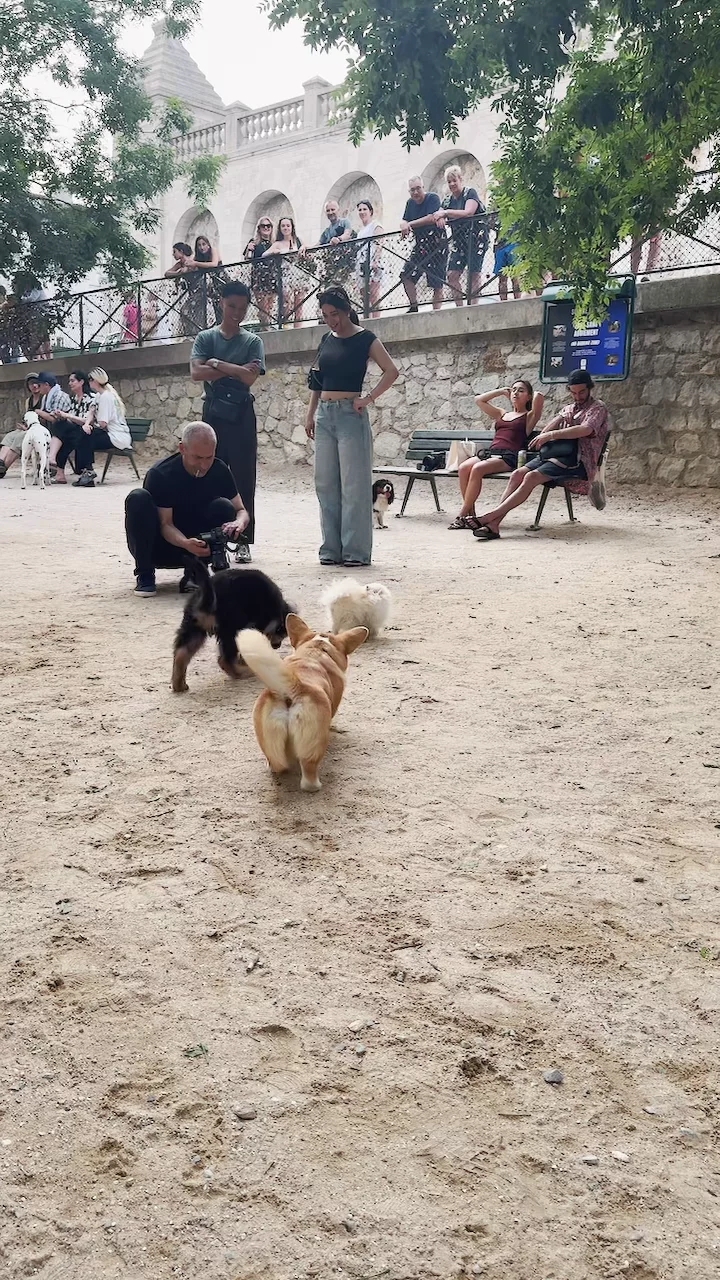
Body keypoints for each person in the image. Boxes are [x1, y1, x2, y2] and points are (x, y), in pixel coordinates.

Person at [305, 284, 398, 567]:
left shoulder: (365, 338)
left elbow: (391, 371)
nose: (331, 319)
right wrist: (310, 414)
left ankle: (355, 552)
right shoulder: (326, 339)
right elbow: (316, 381)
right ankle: (331, 549)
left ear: (346, 309)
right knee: (326, 483)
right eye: (325, 315)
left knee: (354, 485)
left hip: (350, 414)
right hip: (324, 415)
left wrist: (368, 398)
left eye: (334, 313)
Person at [472, 370, 609, 540]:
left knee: (531, 477)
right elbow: (548, 428)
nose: (577, 396)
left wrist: (552, 435)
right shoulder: (569, 408)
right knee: (517, 474)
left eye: (581, 392)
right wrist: (545, 434)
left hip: (578, 459)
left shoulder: (597, 408)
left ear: (590, 388)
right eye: (573, 392)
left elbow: (586, 429)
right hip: (557, 455)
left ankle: (490, 518)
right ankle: (493, 524)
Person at [124, 422, 250, 597]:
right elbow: (165, 524)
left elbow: (241, 509)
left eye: (209, 457)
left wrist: (239, 522)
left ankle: (196, 572)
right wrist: (185, 543)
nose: (205, 465)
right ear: (182, 449)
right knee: (138, 498)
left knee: (223, 506)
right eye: (198, 458)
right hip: (159, 547)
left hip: (198, 549)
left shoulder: (219, 469)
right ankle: (145, 574)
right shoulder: (161, 474)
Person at [190, 280, 265, 559]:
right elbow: (196, 373)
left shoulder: (253, 341)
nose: (237, 312)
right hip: (213, 414)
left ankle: (244, 539)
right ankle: (213, 539)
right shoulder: (206, 338)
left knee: (245, 478)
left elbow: (250, 377)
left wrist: (217, 364)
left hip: (242, 414)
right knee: (208, 474)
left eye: (242, 308)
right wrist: (236, 369)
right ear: (221, 302)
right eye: (232, 306)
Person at [448, 381, 544, 530]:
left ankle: (461, 515)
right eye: (513, 390)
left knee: (477, 469)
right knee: (463, 467)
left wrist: (529, 396)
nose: (515, 393)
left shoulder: (528, 417)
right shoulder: (502, 413)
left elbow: (539, 397)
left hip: (507, 456)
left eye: (521, 391)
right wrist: (501, 391)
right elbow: (478, 400)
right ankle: (470, 512)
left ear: (528, 396)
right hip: (490, 453)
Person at [72, 367, 132, 489]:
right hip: (111, 433)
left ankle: (87, 471)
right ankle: (87, 471)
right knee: (83, 433)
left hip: (116, 436)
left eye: (90, 379)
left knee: (85, 436)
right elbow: (91, 411)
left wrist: (90, 427)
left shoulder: (106, 397)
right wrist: (87, 424)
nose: (89, 382)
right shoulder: (100, 395)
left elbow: (103, 423)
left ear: (95, 381)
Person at [438, 166, 488, 306]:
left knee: (474, 273)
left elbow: (468, 212)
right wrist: (440, 217)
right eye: (449, 182)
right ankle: (460, 307)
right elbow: (439, 214)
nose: (452, 184)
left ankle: (472, 305)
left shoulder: (469, 193)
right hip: (459, 241)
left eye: (454, 180)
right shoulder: (447, 201)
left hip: (476, 237)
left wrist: (446, 213)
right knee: (452, 275)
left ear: (460, 179)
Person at [399, 176, 448, 312]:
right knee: (406, 275)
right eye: (412, 190)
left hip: (437, 244)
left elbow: (431, 217)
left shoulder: (432, 198)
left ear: (423, 188)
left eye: (418, 189)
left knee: (437, 284)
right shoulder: (410, 203)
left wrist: (409, 224)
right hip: (420, 246)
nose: (415, 192)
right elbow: (404, 219)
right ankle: (414, 306)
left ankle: (436, 312)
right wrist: (403, 224)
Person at [48, 370, 95, 483]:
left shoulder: (91, 398)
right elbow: (71, 418)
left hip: (89, 431)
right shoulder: (73, 399)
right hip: (75, 430)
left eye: (72, 381)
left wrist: (67, 415)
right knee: (61, 428)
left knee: (62, 432)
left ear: (81, 382)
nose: (70, 383)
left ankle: (52, 459)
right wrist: (61, 415)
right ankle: (58, 471)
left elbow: (87, 421)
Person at [262, 217, 304, 327]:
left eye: (288, 225)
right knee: (286, 302)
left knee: (299, 304)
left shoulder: (298, 240)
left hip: (299, 274)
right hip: (285, 275)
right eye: (283, 226)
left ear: (292, 227)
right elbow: (264, 255)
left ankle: (298, 329)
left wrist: (303, 248)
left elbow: (306, 247)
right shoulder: (277, 243)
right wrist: (274, 252)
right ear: (280, 228)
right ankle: (286, 326)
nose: (286, 228)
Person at [0, 373, 43, 476]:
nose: (34, 386)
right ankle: (0, 462)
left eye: (36, 383)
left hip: (39, 429)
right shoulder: (29, 401)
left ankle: (3, 468)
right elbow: (27, 417)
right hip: (28, 428)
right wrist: (24, 426)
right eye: (31, 384)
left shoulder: (44, 398)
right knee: (10, 436)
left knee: (19, 437)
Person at [354, 200, 385, 318]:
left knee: (374, 293)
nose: (362, 212)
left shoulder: (375, 225)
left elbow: (379, 242)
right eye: (360, 210)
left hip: (372, 261)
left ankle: (376, 319)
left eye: (364, 209)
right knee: (364, 295)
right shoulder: (360, 232)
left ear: (370, 211)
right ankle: (367, 319)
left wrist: (376, 260)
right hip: (361, 263)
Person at [244, 218, 277, 328]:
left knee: (270, 307)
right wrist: (249, 249)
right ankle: (265, 330)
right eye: (263, 226)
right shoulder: (253, 242)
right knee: (263, 307)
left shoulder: (274, 243)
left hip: (272, 277)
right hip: (259, 279)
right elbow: (247, 259)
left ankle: (269, 328)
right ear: (259, 228)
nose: (266, 228)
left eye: (269, 226)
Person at [491, 215, 521, 301]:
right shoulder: (496, 207)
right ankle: (503, 301)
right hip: (500, 244)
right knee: (502, 277)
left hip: (514, 242)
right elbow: (491, 224)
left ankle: (518, 300)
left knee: (515, 275)